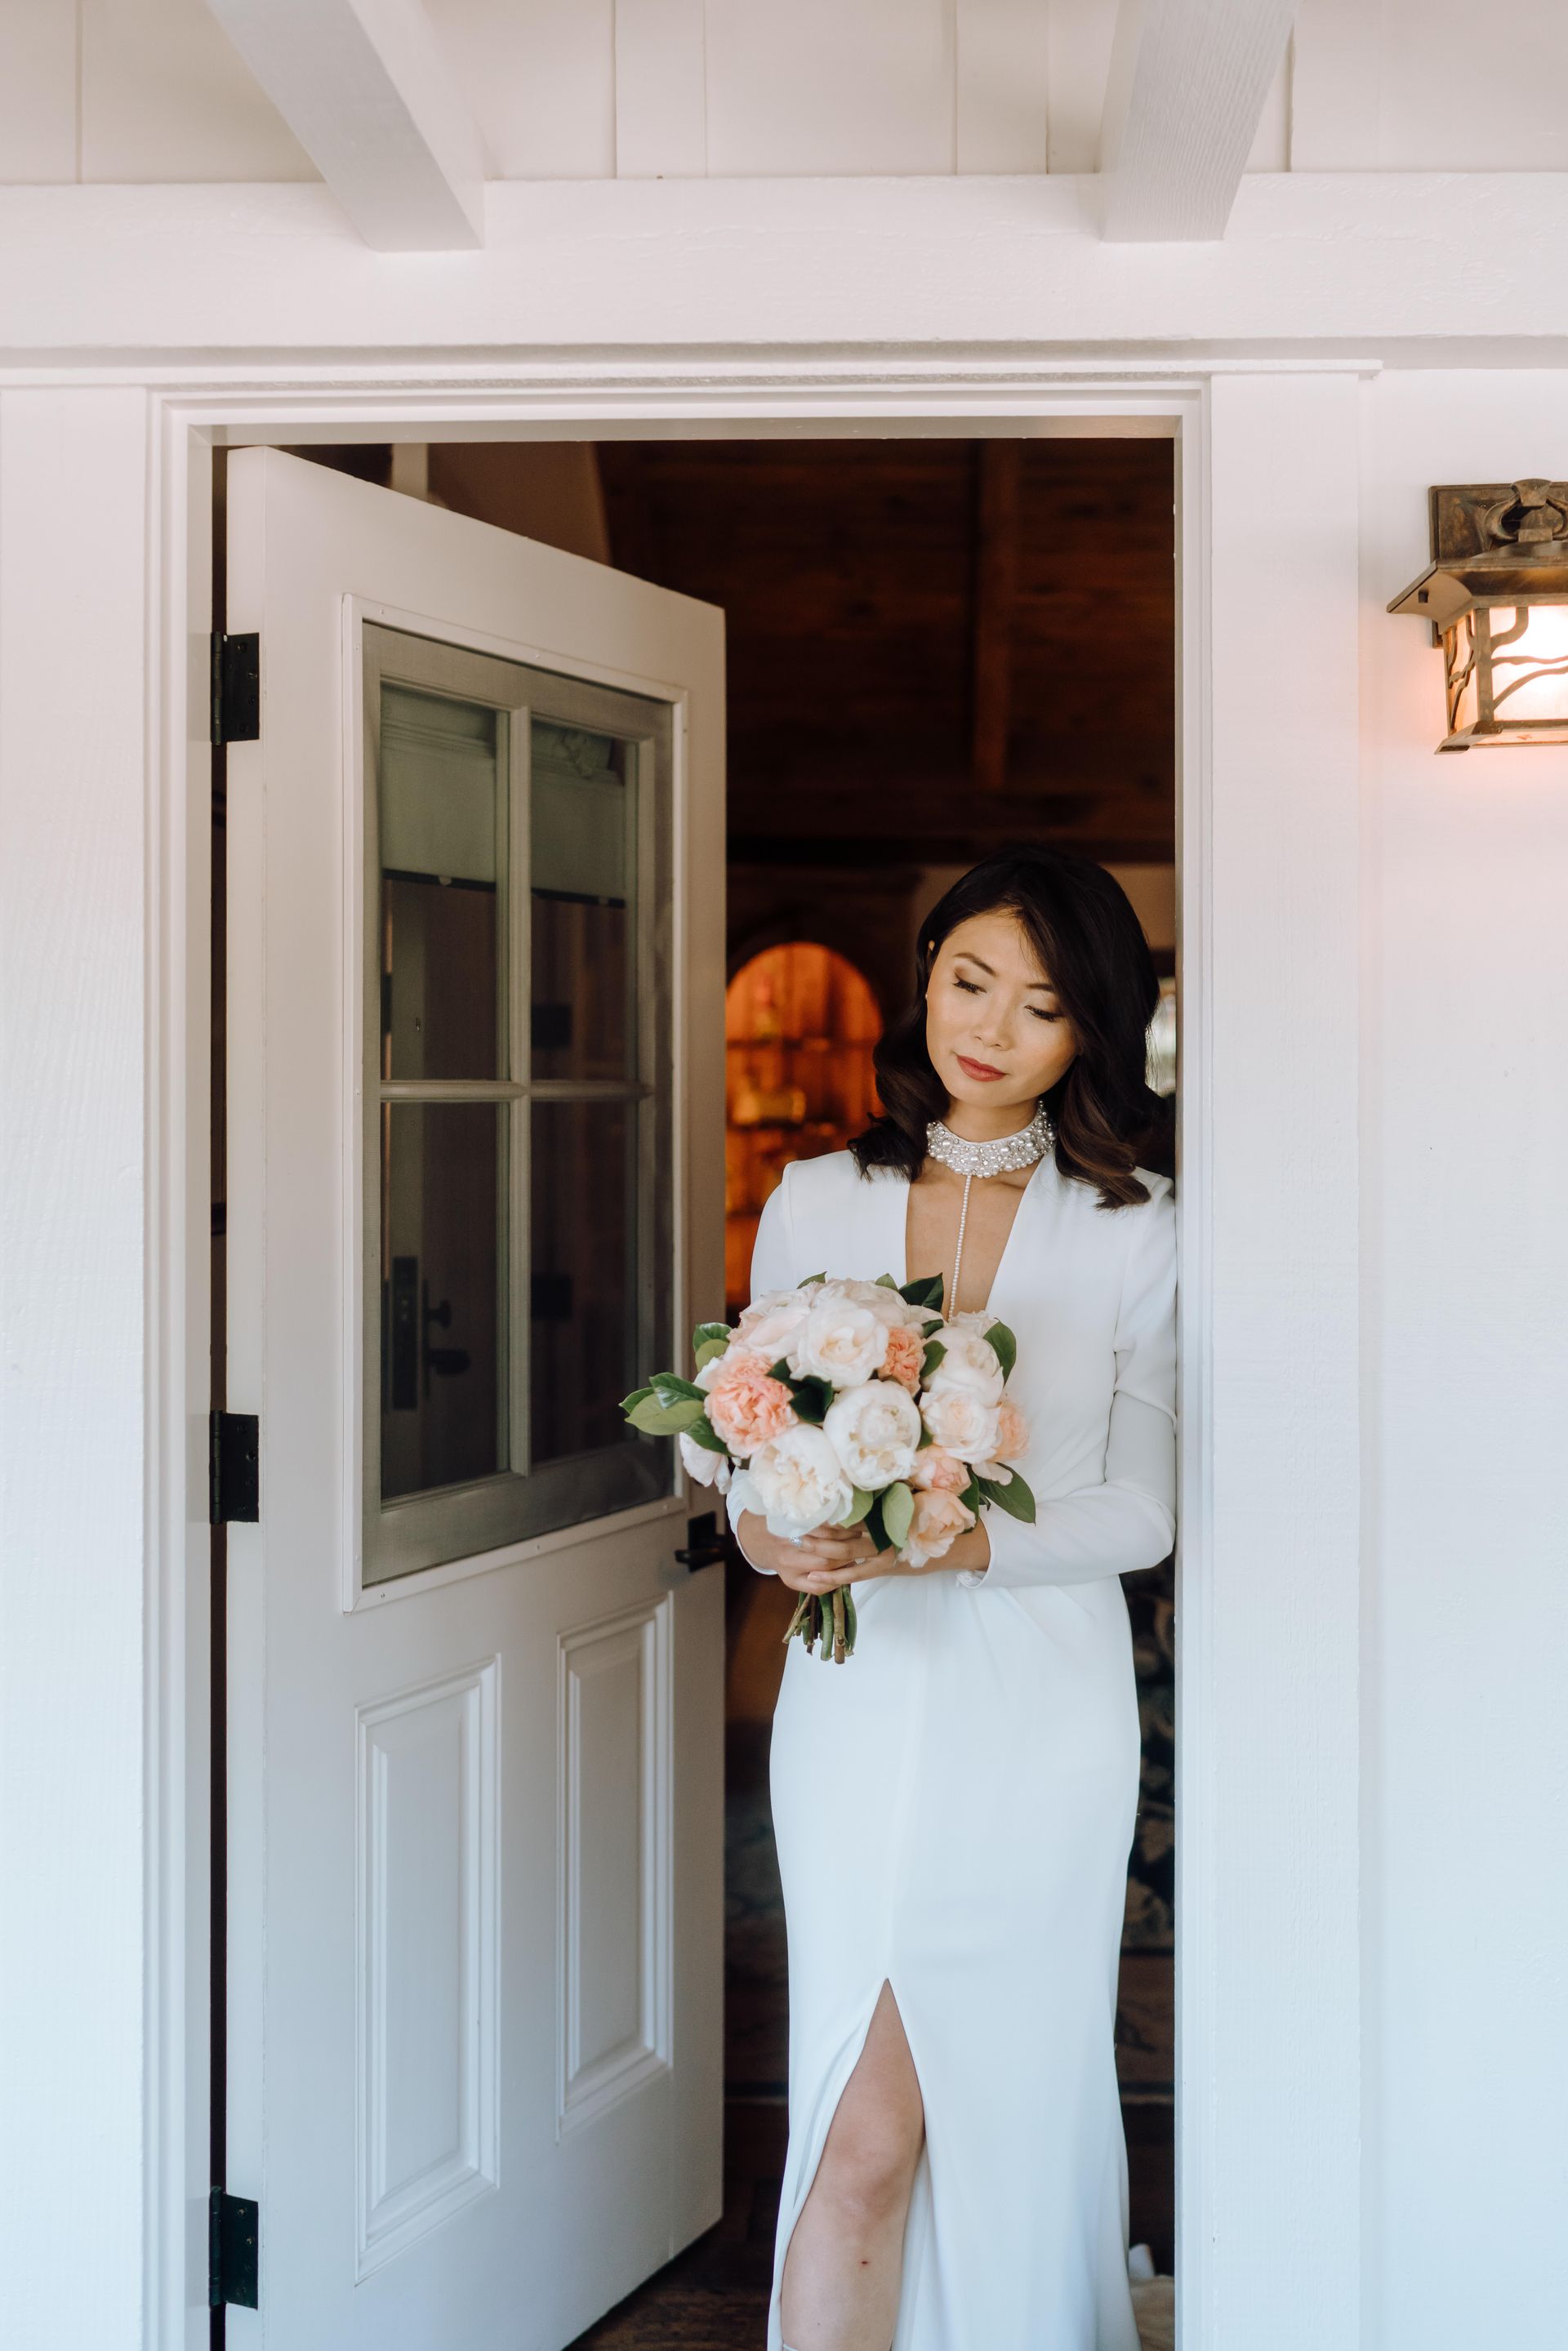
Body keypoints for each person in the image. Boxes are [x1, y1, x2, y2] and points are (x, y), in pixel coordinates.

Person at [730, 844, 1177, 2351]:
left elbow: (1144, 1509)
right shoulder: (814, 1198)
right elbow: (748, 1453)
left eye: (1042, 1006)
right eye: (970, 980)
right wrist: (779, 1535)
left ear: (1089, 1034)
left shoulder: (1139, 1227)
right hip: (854, 1707)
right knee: (859, 2131)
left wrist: (952, 1544)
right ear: (924, 970)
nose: (989, 1028)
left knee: (1004, 2103)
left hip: (1041, 1713)